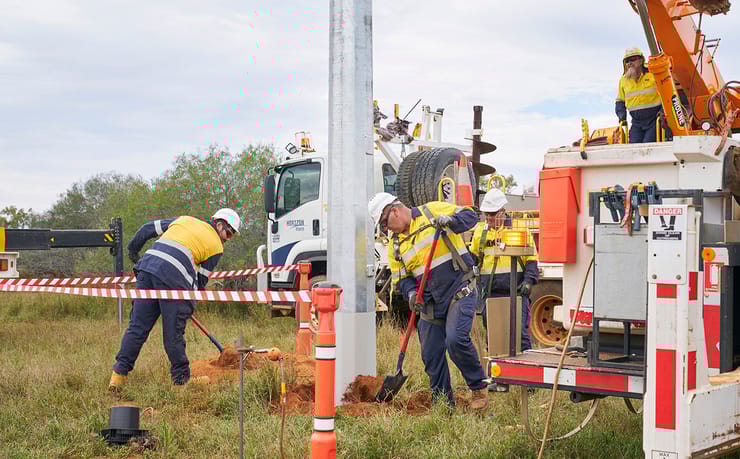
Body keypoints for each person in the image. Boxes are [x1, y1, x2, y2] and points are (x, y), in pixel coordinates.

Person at [368, 192, 489, 411]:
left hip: (459, 289)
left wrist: (451, 221)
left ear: (394, 212)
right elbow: (401, 279)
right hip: (431, 302)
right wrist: (411, 294)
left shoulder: (431, 211)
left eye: (385, 223)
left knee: (455, 339)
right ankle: (443, 403)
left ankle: (478, 388)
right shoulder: (395, 246)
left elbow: (471, 216)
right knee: (431, 353)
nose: (386, 229)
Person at [109, 208, 241, 390]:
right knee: (173, 332)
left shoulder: (185, 219)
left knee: (137, 327)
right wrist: (187, 306)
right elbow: (200, 281)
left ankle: (118, 377)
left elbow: (146, 229)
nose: (227, 239)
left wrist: (133, 251)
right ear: (219, 225)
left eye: (231, 235)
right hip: (173, 279)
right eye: (228, 233)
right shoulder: (216, 247)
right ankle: (181, 379)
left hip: (147, 269)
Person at [469, 189, 538, 352]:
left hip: (517, 292)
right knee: (495, 338)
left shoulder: (519, 230)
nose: (489, 218)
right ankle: (496, 367)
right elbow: (473, 258)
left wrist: (528, 281)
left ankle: (524, 365)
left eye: (492, 214)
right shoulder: (481, 233)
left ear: (502, 211)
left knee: (520, 336)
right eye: (486, 214)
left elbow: (531, 259)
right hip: (491, 293)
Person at [615, 47, 669, 143]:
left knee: (648, 145)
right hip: (636, 122)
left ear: (640, 61)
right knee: (634, 146)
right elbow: (620, 101)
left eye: (633, 59)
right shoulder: (623, 80)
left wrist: (662, 111)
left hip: (654, 120)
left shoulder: (653, 74)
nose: (630, 63)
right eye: (627, 61)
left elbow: (667, 94)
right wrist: (621, 116)